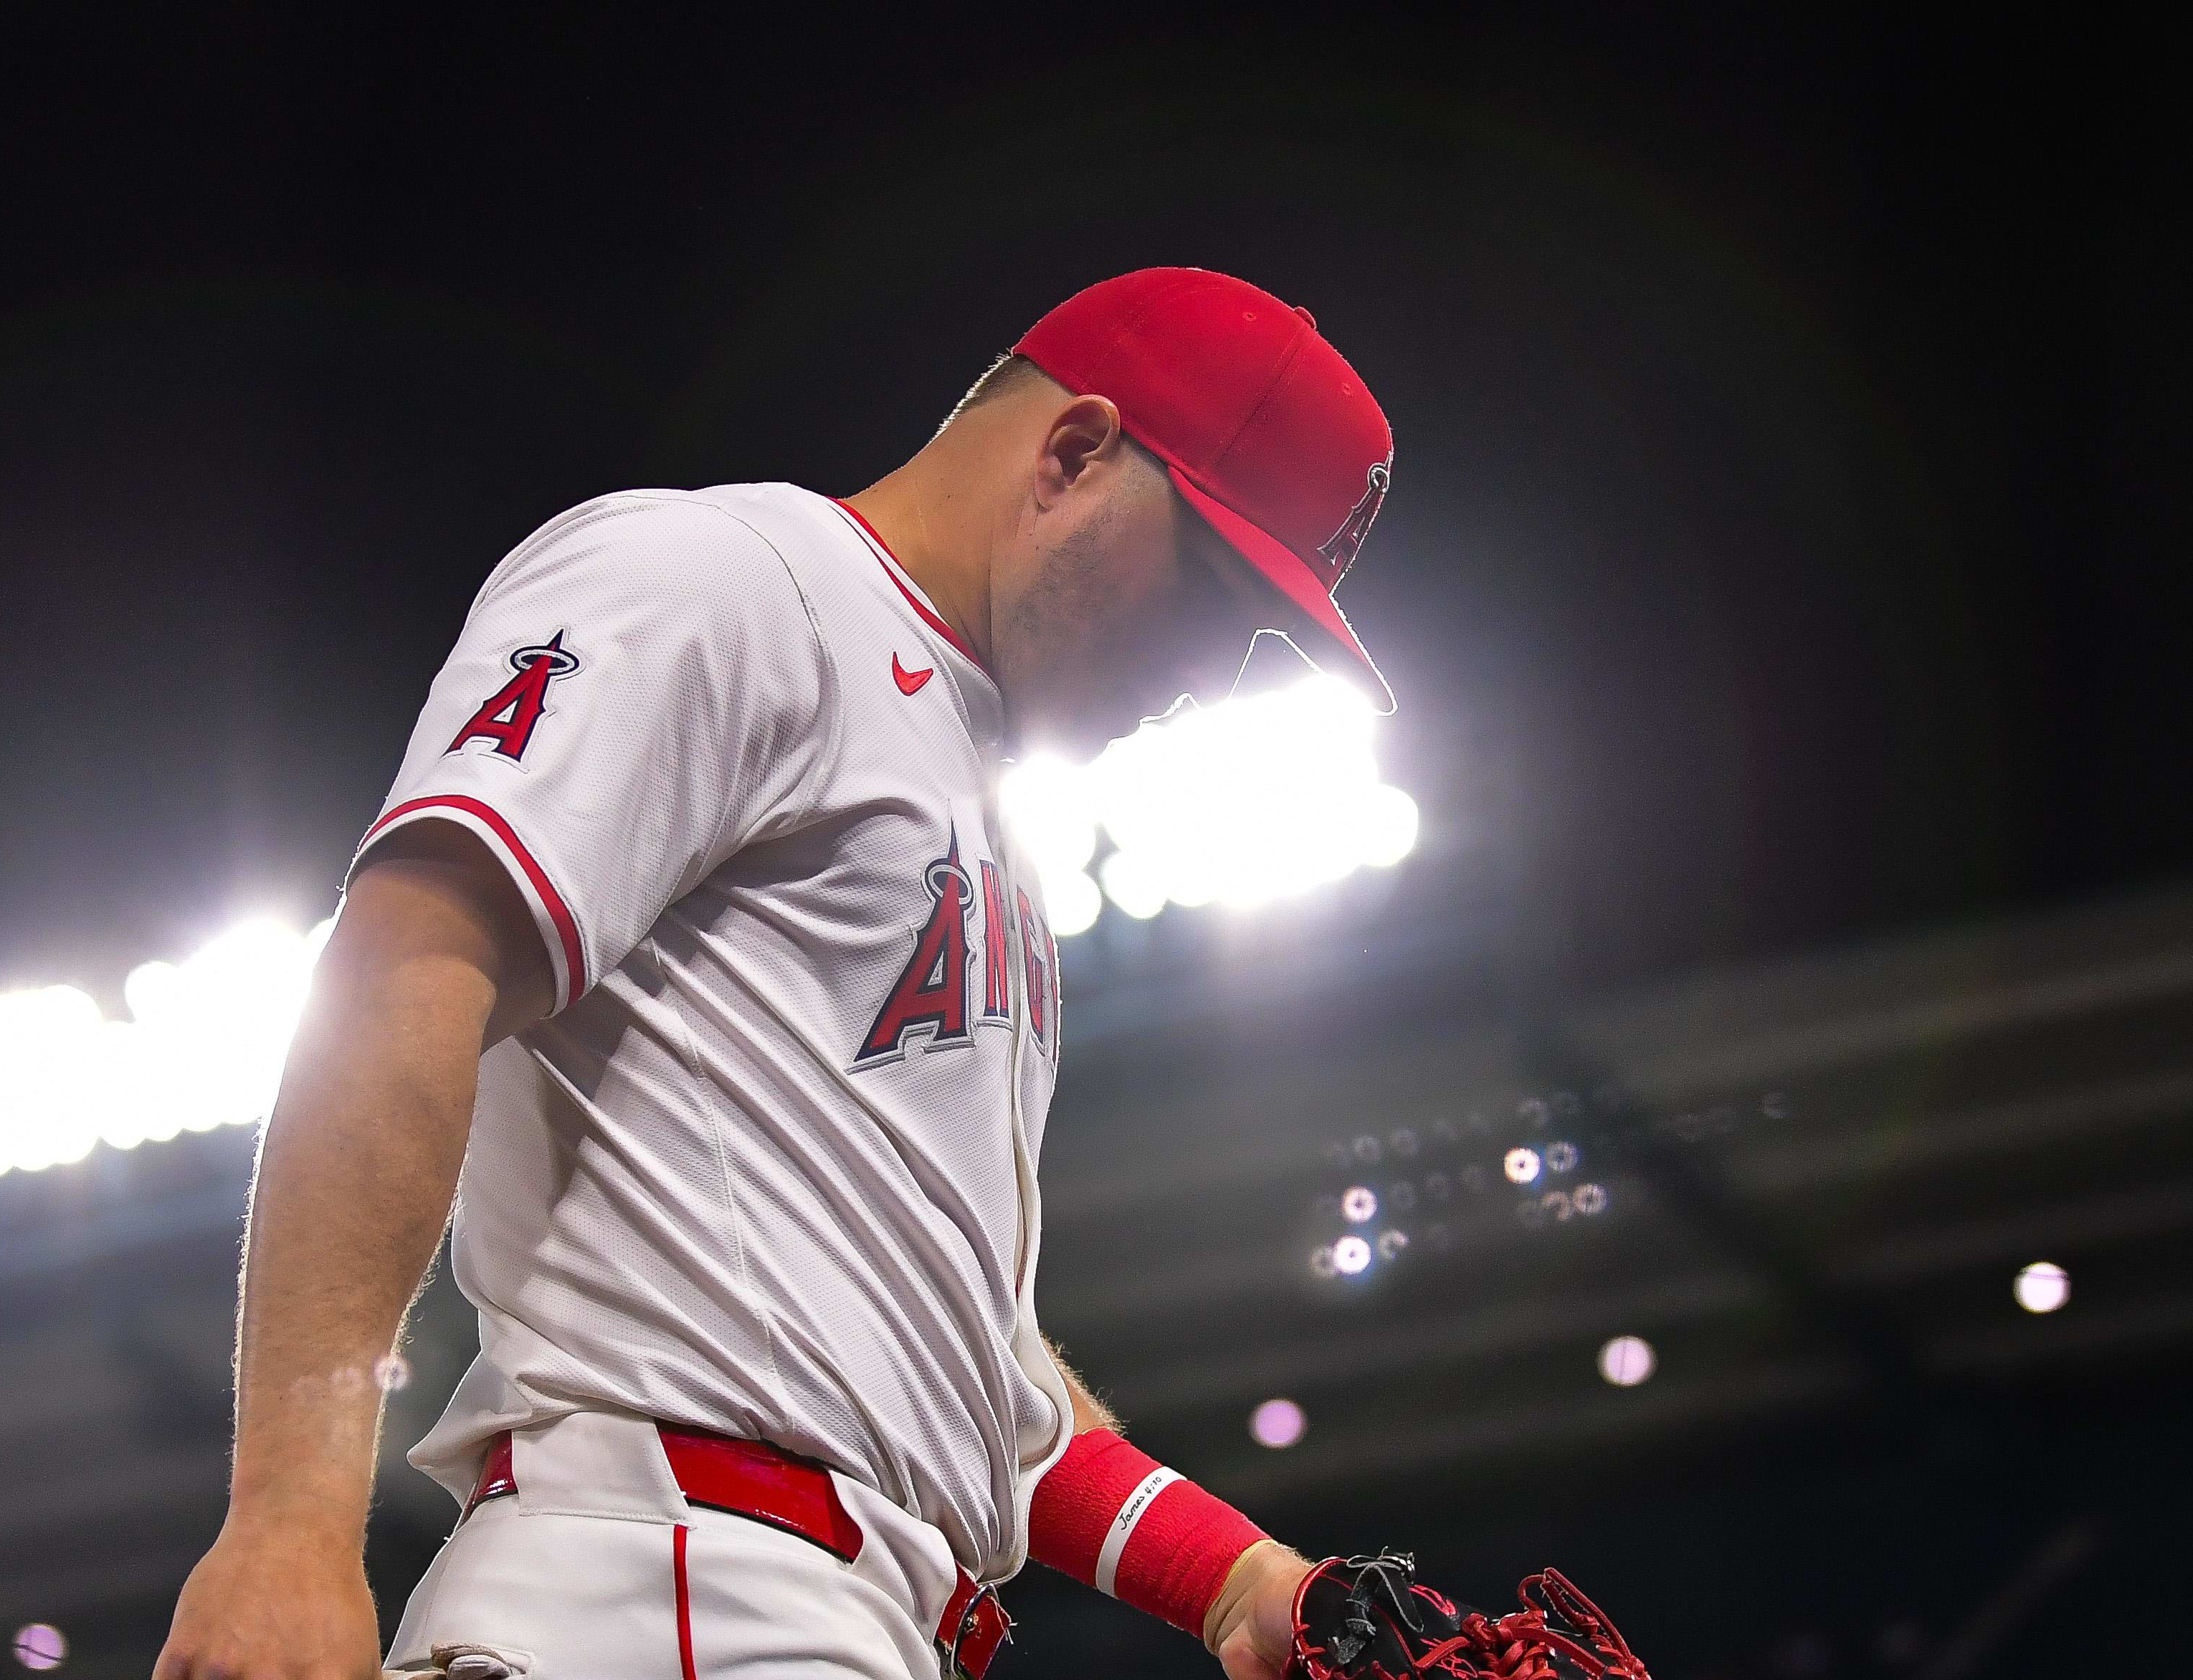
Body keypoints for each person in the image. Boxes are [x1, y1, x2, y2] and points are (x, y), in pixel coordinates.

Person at [155, 267, 1398, 1680]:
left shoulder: (982, 821)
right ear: (1070, 454)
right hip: (666, 1585)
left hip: (822, 1608)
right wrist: (288, 1523)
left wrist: (1238, 1580)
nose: (1214, 666)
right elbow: (406, 966)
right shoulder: (729, 582)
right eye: (1214, 584)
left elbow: (949, 1364)